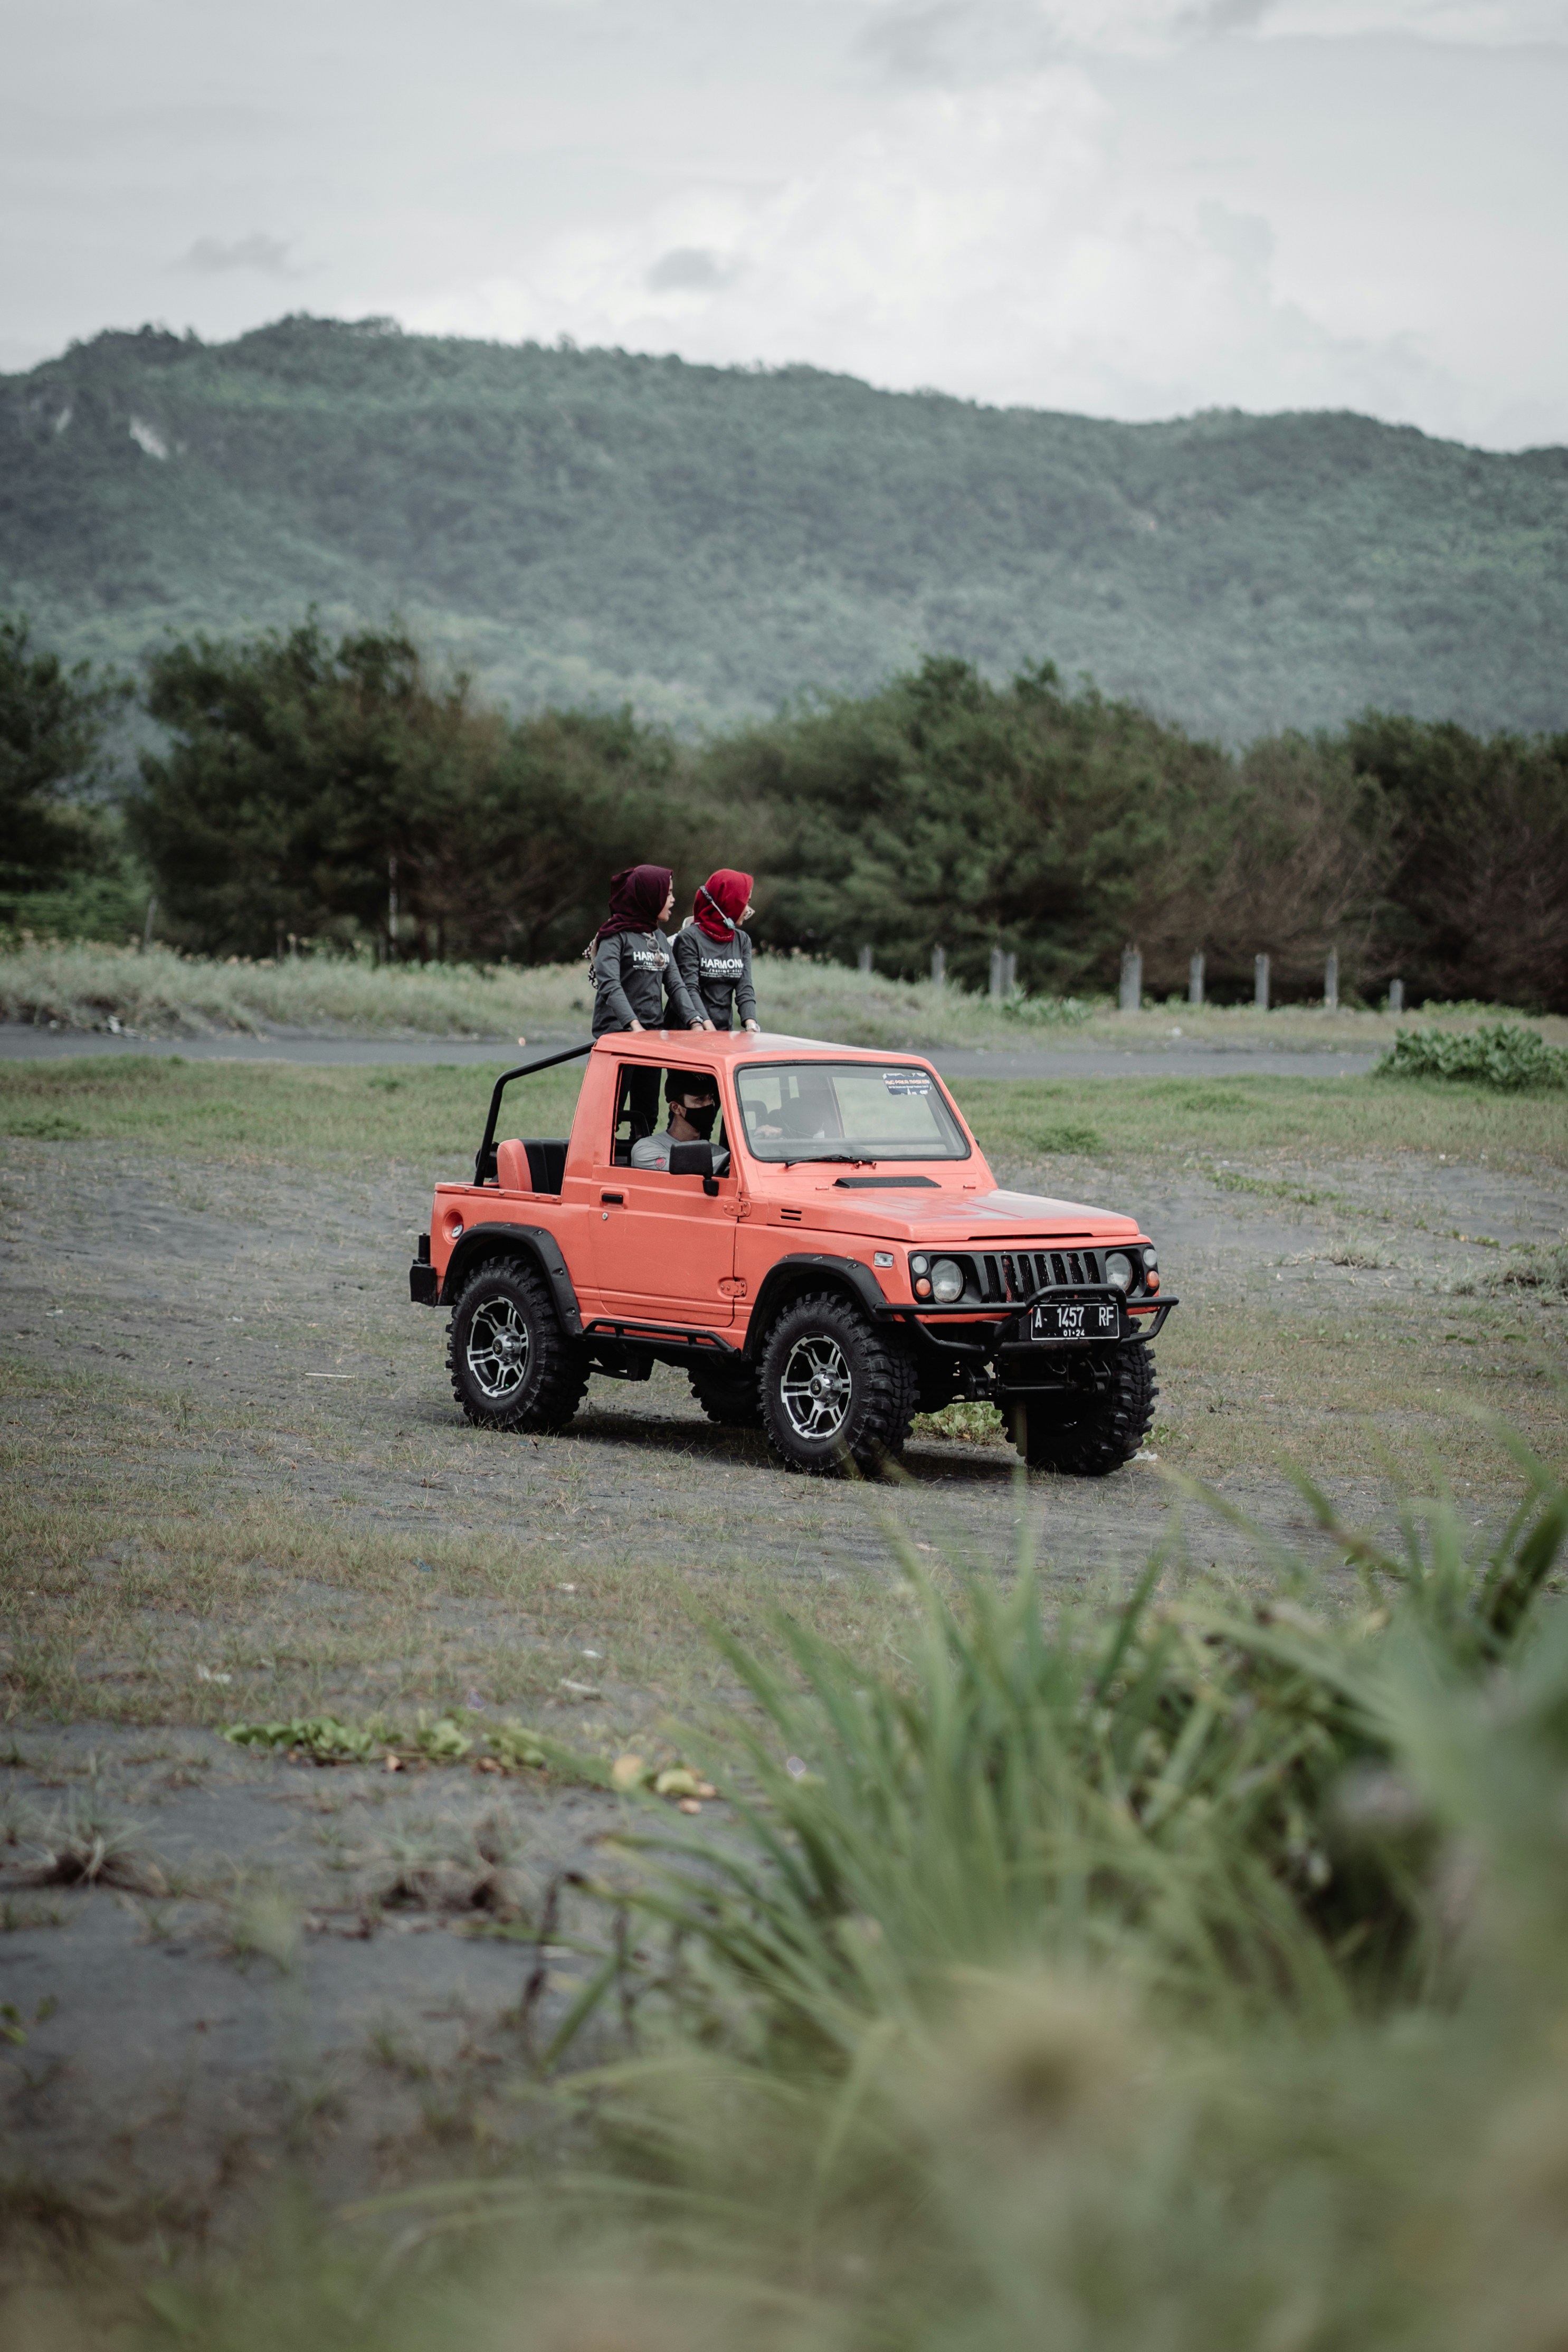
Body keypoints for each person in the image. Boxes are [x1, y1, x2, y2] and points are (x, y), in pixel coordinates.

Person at [590, 864, 703, 1139]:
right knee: (609, 1114)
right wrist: (633, 1027)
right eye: (668, 893)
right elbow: (610, 984)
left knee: (646, 1114)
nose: (673, 900)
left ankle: (640, 1162)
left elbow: (676, 984)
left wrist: (696, 1021)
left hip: (651, 1041)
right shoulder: (614, 935)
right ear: (649, 896)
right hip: (618, 1039)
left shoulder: (659, 938)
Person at [672, 868, 759, 1034]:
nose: (748, 909)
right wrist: (707, 1027)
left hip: (722, 1032)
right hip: (690, 1031)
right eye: (744, 902)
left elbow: (745, 988)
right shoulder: (689, 938)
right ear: (730, 902)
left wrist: (751, 1026)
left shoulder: (742, 940)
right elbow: (689, 988)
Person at [630, 1071, 730, 1173]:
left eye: (710, 1097)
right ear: (676, 1108)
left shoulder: (718, 1153)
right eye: (700, 1099)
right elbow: (679, 1169)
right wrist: (727, 1161)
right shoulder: (646, 1149)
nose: (709, 1104)